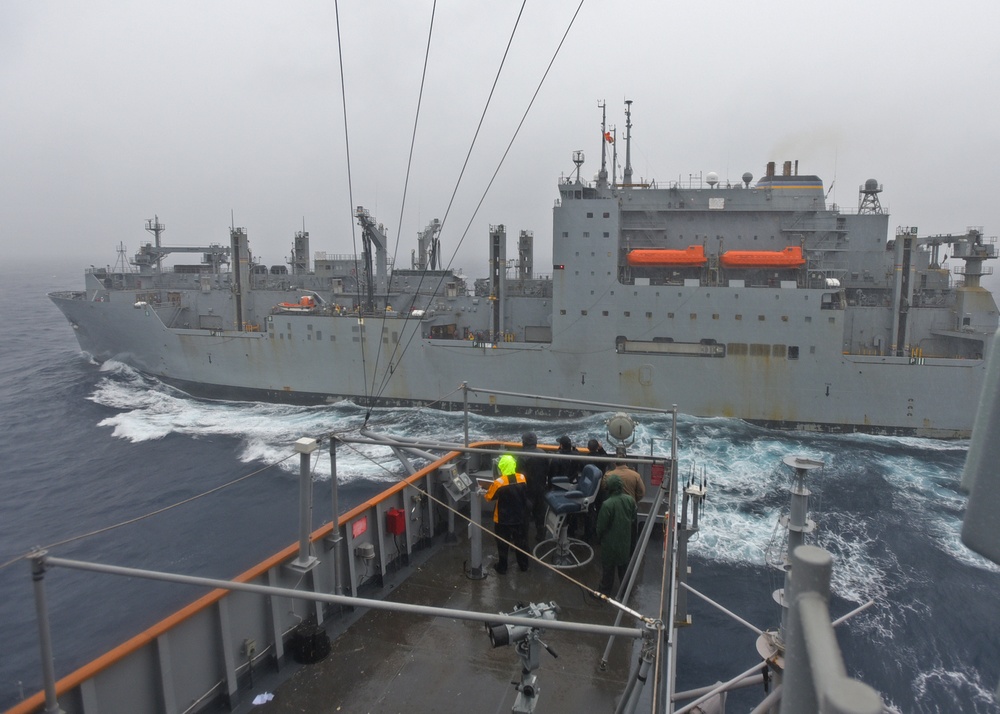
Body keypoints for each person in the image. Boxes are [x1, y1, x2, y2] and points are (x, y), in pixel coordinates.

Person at [484, 453, 530, 574]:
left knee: (502, 543)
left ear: (501, 467)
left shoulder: (499, 482)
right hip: (519, 517)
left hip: (503, 519)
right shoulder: (522, 478)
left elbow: (488, 497)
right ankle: (524, 565)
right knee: (521, 542)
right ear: (514, 465)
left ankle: (502, 567)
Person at [596, 474, 636, 597]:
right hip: (625, 541)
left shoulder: (607, 504)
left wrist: (599, 538)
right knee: (623, 567)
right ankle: (626, 592)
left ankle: (604, 592)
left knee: (608, 570)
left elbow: (601, 526)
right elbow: (633, 517)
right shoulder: (630, 500)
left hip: (610, 543)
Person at [604, 459, 646, 552]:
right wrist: (634, 500)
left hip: (612, 507)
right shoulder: (635, 475)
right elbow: (642, 492)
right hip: (630, 507)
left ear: (614, 463)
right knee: (632, 530)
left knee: (612, 528)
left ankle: (613, 550)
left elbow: (604, 488)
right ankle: (631, 551)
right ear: (626, 462)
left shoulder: (608, 475)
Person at [519, 432, 550, 542]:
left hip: (527, 491)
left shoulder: (521, 456)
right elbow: (548, 470)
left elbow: (519, 475)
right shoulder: (543, 453)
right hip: (541, 489)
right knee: (540, 515)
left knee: (524, 517)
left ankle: (522, 541)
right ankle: (541, 537)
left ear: (525, 442)